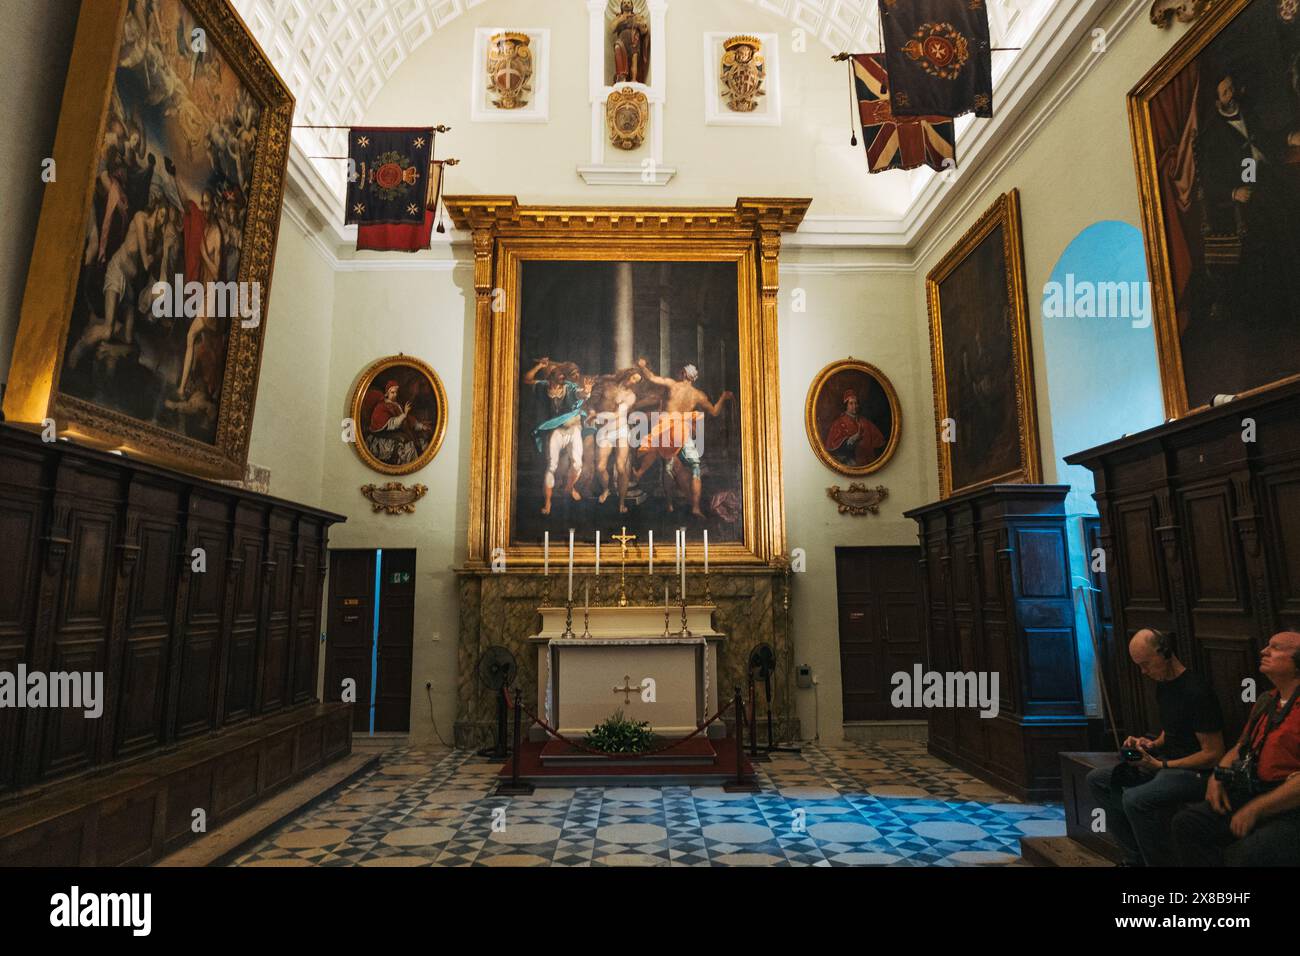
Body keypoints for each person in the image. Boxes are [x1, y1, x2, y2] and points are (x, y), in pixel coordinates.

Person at [1085, 628, 1225, 867]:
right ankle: (1134, 858)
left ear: (1165, 653)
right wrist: (1148, 744)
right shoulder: (1164, 685)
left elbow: (1213, 753)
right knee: (1097, 779)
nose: (1144, 672)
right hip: (1166, 761)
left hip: (1194, 772)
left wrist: (1162, 764)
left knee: (1135, 799)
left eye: (1146, 664)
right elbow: (1171, 731)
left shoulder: (1196, 691)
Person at [1172, 631, 1300, 866]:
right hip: (1253, 789)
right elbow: (1241, 746)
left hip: (1288, 803)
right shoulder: (1266, 700)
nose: (1264, 651)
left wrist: (1257, 808)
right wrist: (1218, 776)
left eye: (1276, 647)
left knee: (1247, 854)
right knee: (1188, 823)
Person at [631, 359, 732, 518]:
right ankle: (696, 508)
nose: (679, 373)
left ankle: (669, 504)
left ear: (684, 373)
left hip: (666, 428)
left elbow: (651, 377)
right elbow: (714, 412)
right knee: (695, 467)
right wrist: (723, 397)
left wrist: (643, 366)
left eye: (681, 371)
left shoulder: (672, 385)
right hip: (682, 430)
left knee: (667, 466)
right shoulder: (698, 395)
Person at [524, 358, 588, 515]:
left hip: (573, 430)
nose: (562, 377)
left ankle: (570, 487)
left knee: (577, 465)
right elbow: (527, 379)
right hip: (556, 431)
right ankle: (548, 502)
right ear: (550, 376)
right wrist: (540, 365)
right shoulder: (543, 387)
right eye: (558, 374)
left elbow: (580, 394)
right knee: (552, 466)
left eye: (562, 374)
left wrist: (586, 391)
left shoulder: (570, 387)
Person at [825, 388, 886, 467]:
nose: (855, 406)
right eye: (851, 403)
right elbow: (835, 446)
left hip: (869, 462)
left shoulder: (865, 421)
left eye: (856, 403)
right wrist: (854, 437)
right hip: (851, 462)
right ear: (846, 405)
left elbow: (879, 441)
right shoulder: (838, 423)